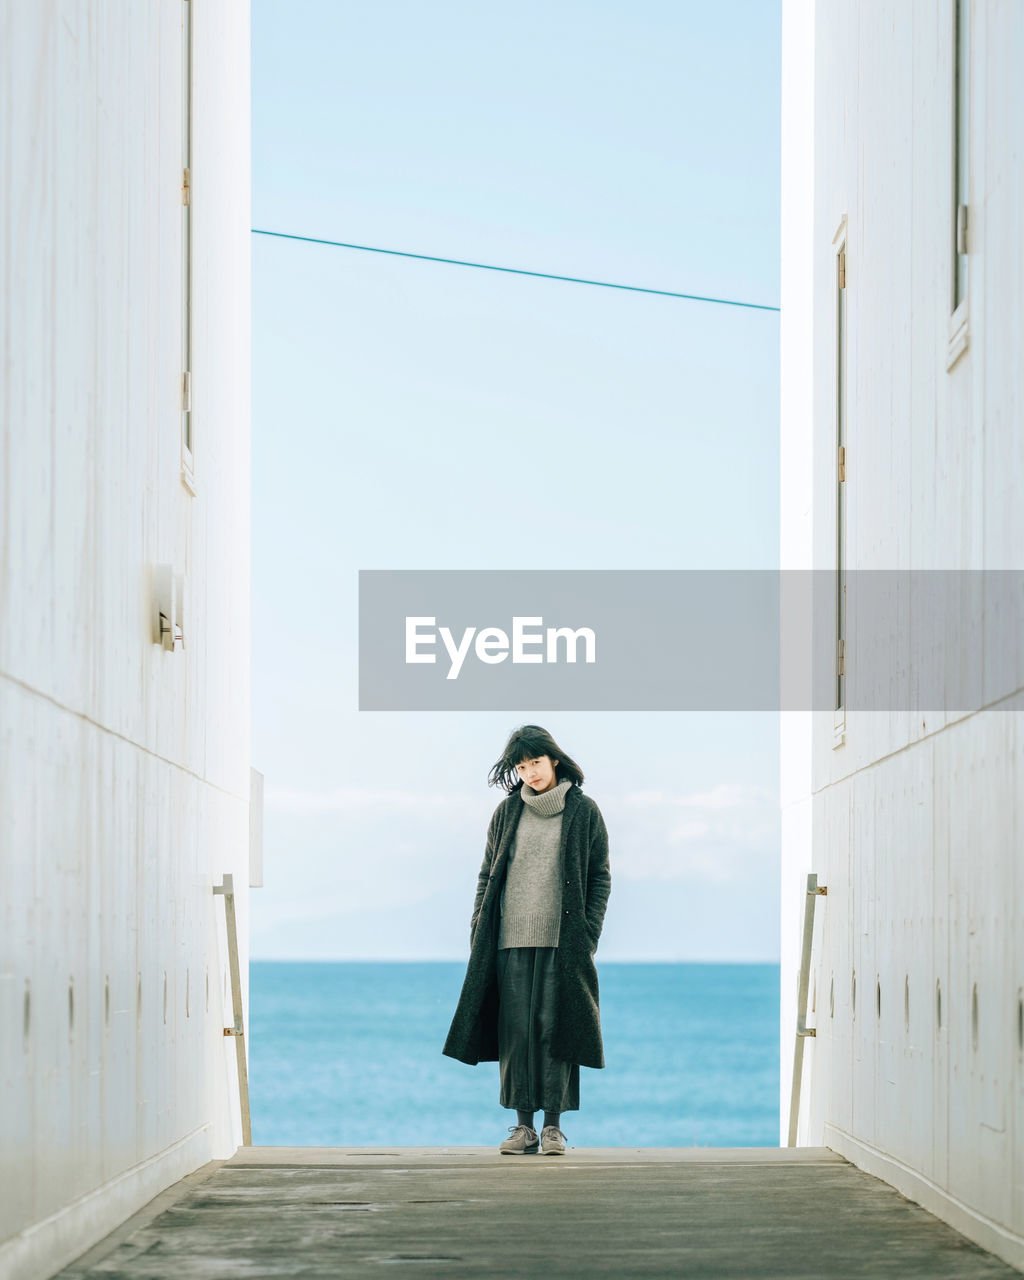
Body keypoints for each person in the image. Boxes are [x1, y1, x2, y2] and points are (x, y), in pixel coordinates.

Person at [442, 724, 611, 1155]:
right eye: (521, 766)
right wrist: (480, 922)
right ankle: (523, 1128)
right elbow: (487, 874)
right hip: (507, 937)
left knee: (555, 1029)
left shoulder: (583, 811)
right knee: (515, 1032)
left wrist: (588, 932)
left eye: (535, 762)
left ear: (553, 759)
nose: (530, 773)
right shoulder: (506, 813)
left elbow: (599, 878)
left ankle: (553, 1127)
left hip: (563, 939)